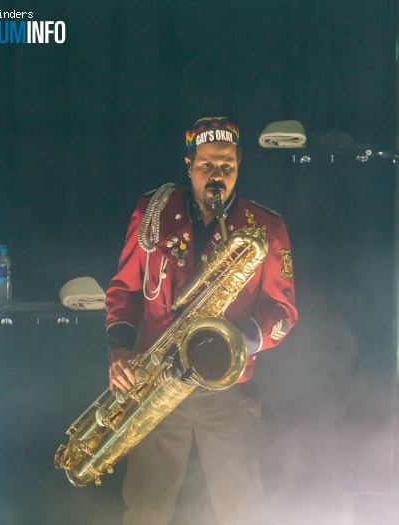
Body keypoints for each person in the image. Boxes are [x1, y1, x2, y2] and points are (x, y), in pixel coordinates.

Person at [105, 116, 298, 525]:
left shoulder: (266, 226)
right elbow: (125, 289)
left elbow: (282, 312)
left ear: (239, 166)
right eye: (208, 165)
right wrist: (119, 348)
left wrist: (237, 340)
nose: (217, 176)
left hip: (228, 389)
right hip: (156, 381)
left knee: (242, 509)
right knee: (146, 509)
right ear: (189, 164)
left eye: (227, 166)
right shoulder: (152, 211)